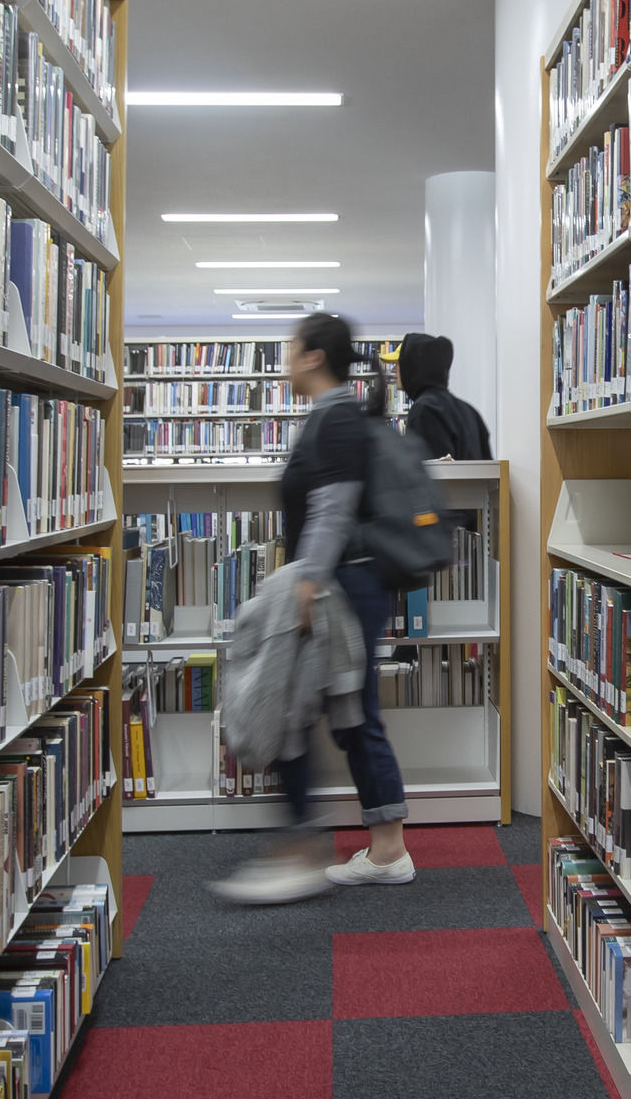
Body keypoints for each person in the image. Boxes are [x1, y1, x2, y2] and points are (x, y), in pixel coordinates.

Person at [210, 311, 415, 903]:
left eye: (291, 348)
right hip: (339, 586)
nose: (285, 358)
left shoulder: (338, 420)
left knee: (300, 712)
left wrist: (308, 585)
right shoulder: (336, 416)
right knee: (344, 717)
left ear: (313, 357)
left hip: (336, 589)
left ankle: (312, 848)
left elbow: (332, 509)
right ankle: (376, 845)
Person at [397, 332, 492, 460]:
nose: (394, 369)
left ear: (413, 367)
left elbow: (425, 475)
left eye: (400, 364)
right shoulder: (470, 411)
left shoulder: (424, 411)